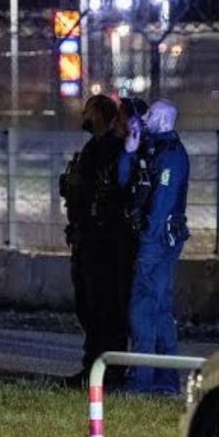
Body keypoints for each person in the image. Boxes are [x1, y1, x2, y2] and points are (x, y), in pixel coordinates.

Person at [59, 95, 133, 388]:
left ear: (100, 114)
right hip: (86, 239)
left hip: (104, 243)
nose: (84, 116)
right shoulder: (94, 148)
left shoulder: (112, 150)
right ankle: (93, 367)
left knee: (105, 309)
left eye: (89, 111)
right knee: (88, 308)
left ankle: (108, 371)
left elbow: (108, 192)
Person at [119, 99, 190, 395]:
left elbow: (161, 205)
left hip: (158, 241)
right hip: (154, 238)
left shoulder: (171, 156)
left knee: (141, 307)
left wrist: (147, 243)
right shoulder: (151, 150)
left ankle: (142, 380)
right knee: (159, 309)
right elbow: (125, 183)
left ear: (163, 120)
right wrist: (129, 151)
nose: (145, 118)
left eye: (150, 114)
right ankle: (165, 381)